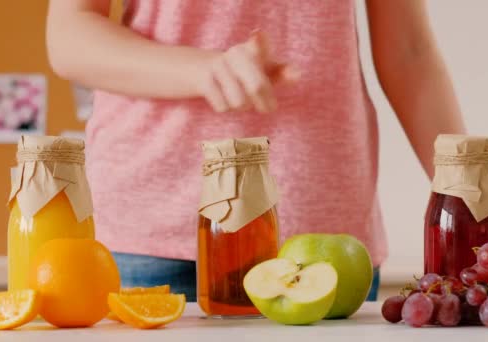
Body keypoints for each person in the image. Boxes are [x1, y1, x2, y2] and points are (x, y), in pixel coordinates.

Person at [45, 0, 466, 302]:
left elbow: (410, 54)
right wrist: (202, 69)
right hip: (152, 225)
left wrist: (465, 209)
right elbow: (70, 35)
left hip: (321, 230)